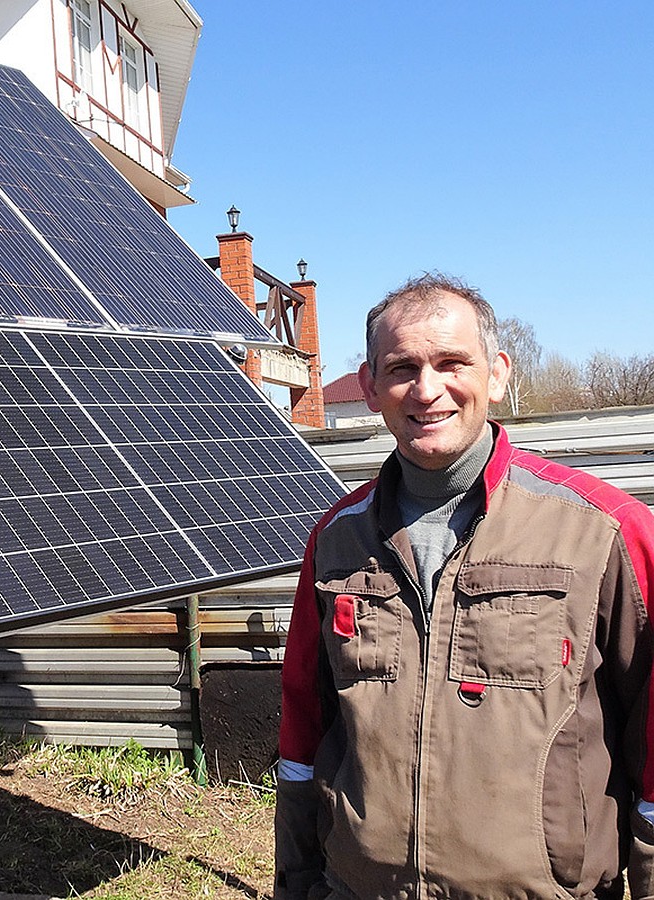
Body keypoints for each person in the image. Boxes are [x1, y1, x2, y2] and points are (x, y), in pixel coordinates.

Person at [274, 273, 654, 900]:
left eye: (452, 362)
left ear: (497, 374)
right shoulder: (337, 540)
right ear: (370, 387)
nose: (427, 390)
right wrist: (299, 879)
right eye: (401, 368)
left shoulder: (604, 531)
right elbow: (304, 725)